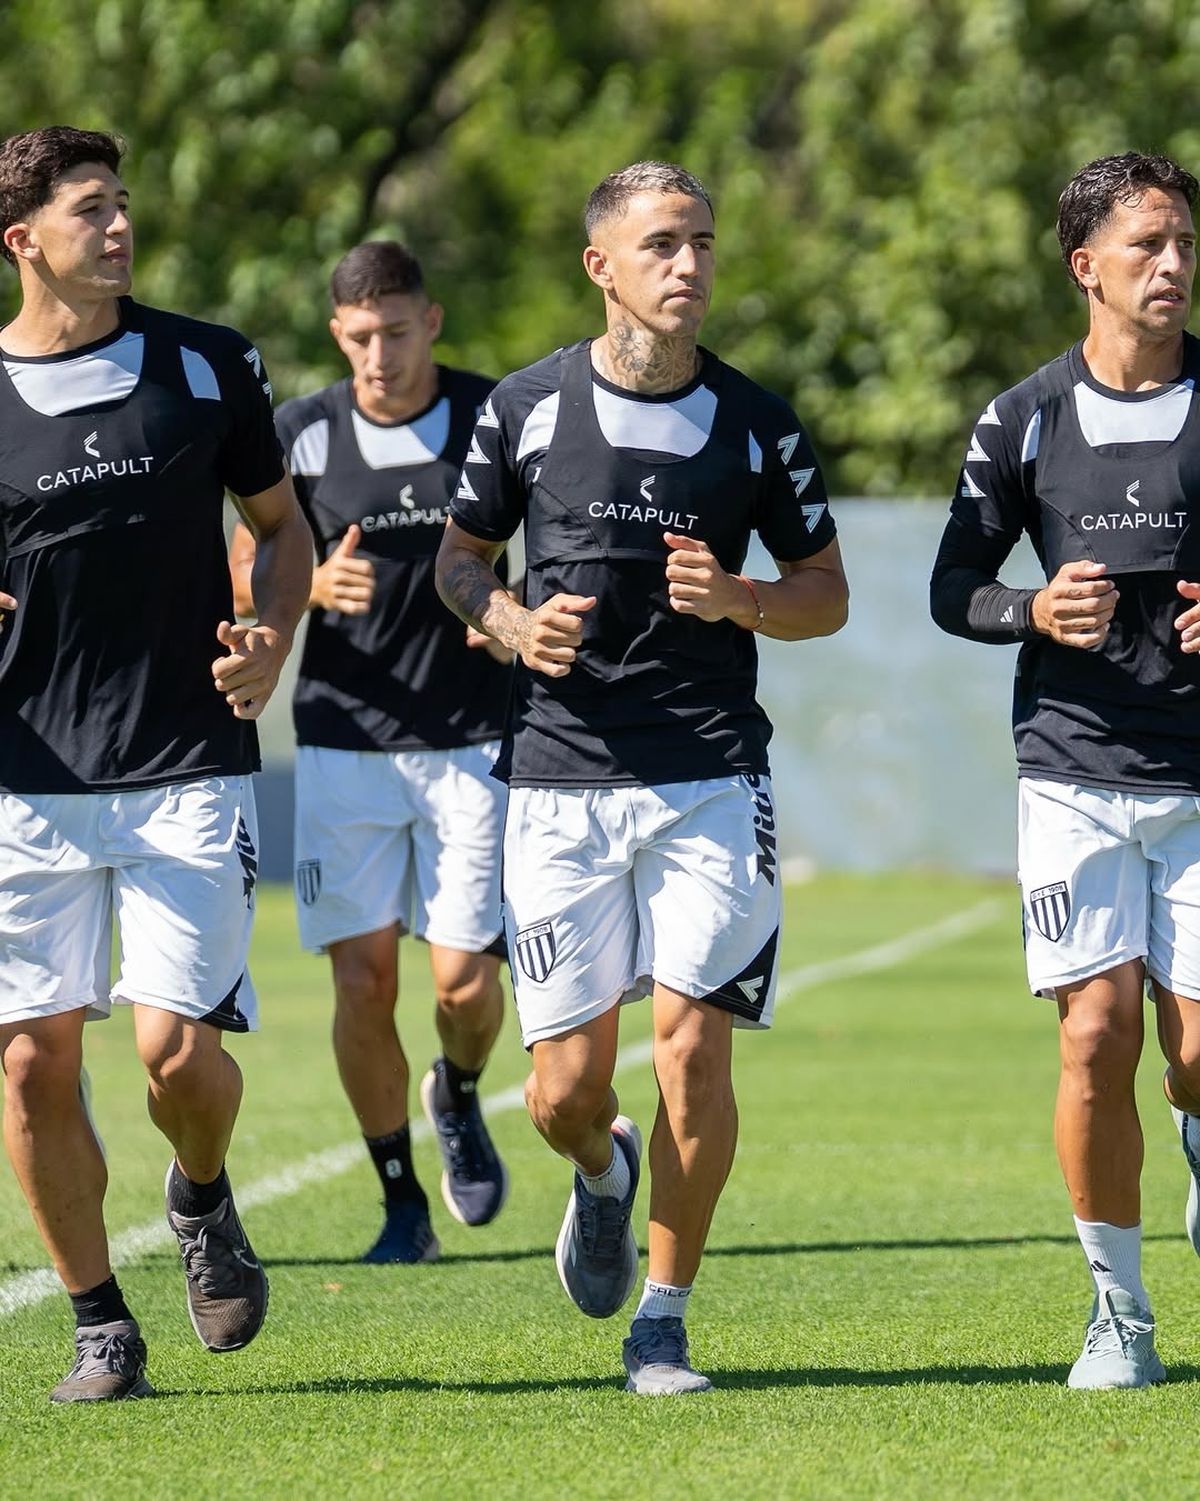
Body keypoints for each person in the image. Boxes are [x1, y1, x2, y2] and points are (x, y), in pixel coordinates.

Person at [436, 161, 848, 1394]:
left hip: (712, 777)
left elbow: (825, 594)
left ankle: (663, 1316)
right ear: (600, 265)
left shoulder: (757, 422)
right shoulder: (524, 409)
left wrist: (743, 598)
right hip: (557, 780)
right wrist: (511, 625)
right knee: (562, 1090)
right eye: (663, 243)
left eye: (705, 243)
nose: (691, 265)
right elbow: (460, 565)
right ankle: (602, 1170)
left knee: (694, 1053)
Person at [0, 126, 311, 1402]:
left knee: (176, 1056)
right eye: (90, 210)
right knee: (29, 1060)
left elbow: (282, 530)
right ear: (23, 242)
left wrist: (272, 639)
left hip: (189, 758)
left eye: (123, 203)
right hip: (24, 780)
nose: (119, 227)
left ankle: (201, 1195)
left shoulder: (206, 362)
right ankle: (99, 1324)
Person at [931, 151, 1200, 1390]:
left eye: (1183, 244)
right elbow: (954, 590)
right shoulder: (1024, 415)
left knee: (1193, 1055)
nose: (1174, 267)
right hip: (1075, 769)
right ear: (1086, 267)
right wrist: (1031, 614)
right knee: (1094, 1038)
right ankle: (1120, 1315)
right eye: (1147, 247)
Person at [229, 241, 512, 1264]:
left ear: (430, 321)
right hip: (344, 742)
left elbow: (547, 533)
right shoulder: (299, 436)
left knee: (464, 988)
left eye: (396, 332)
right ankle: (401, 1202)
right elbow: (248, 563)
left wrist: (507, 607)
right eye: (358, 339)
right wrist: (303, 590)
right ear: (337, 336)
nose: (379, 356)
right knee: (362, 983)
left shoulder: (495, 416)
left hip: (476, 736)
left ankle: (462, 1092)